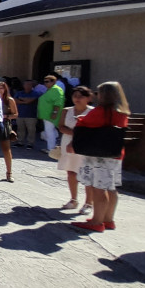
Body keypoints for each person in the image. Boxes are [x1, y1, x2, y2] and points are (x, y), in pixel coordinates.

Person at [70, 81, 130, 233]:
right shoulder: (122, 112)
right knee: (111, 187)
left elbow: (84, 123)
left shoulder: (101, 111)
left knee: (99, 188)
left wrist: (80, 119)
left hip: (99, 154)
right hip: (115, 153)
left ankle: (97, 221)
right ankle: (108, 219)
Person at [56, 86, 94, 214]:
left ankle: (89, 203)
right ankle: (73, 199)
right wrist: (76, 133)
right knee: (71, 172)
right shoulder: (67, 111)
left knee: (87, 174)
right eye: (75, 96)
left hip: (86, 145)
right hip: (68, 143)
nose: (77, 99)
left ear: (88, 98)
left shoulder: (93, 112)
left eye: (80, 96)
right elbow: (61, 126)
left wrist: (79, 135)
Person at [0, 81, 18, 182]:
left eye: (2, 88)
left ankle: (9, 173)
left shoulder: (9, 100)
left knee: (6, 149)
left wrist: (6, 116)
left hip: (5, 124)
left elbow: (15, 114)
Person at [37, 74, 64, 153]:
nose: (45, 83)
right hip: (46, 114)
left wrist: (54, 112)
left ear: (54, 81)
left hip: (51, 115)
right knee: (51, 131)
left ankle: (51, 149)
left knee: (49, 131)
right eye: (44, 81)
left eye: (47, 81)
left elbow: (58, 102)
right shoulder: (50, 89)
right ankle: (54, 146)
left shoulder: (56, 90)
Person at [14, 80, 40, 148]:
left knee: (31, 130)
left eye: (30, 85)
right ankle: (20, 142)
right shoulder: (19, 93)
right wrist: (25, 101)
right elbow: (15, 100)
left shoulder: (36, 93)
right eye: (26, 84)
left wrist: (21, 100)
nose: (28, 86)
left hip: (31, 115)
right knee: (20, 129)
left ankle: (30, 143)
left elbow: (30, 101)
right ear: (23, 85)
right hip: (20, 114)